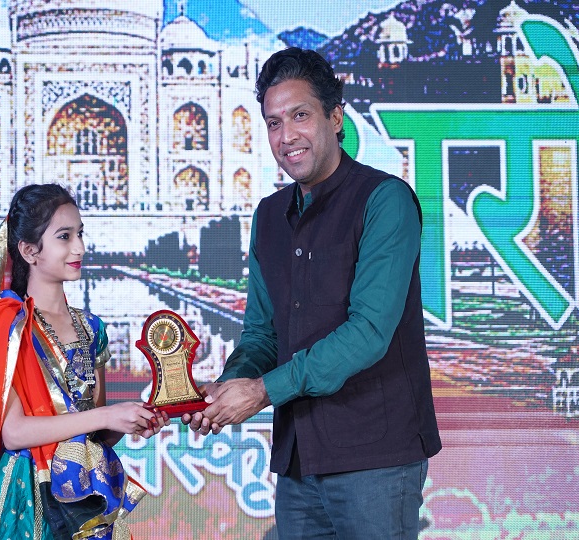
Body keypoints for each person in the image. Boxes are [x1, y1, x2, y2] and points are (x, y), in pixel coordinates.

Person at [183, 47, 442, 539]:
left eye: (300, 115)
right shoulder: (269, 216)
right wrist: (226, 389)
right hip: (299, 461)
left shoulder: (384, 201)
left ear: (335, 117)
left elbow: (368, 332)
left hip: (375, 460)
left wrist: (261, 392)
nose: (286, 136)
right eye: (273, 123)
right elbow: (262, 334)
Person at [0, 184, 169, 540]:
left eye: (80, 234)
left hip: (85, 493)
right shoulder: (6, 325)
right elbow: (14, 433)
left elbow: (95, 431)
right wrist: (107, 415)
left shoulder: (91, 328)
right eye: (64, 237)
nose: (79, 247)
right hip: (27, 497)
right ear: (29, 251)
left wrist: (131, 421)